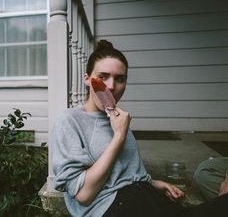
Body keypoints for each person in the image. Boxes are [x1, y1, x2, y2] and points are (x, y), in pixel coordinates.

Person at [51, 40, 228, 217]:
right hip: (112, 208)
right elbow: (84, 195)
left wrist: (151, 183)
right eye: (103, 77)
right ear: (87, 79)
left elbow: (123, 171)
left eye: (120, 79)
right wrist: (119, 136)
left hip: (142, 197)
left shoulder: (117, 119)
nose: (111, 86)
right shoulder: (70, 120)